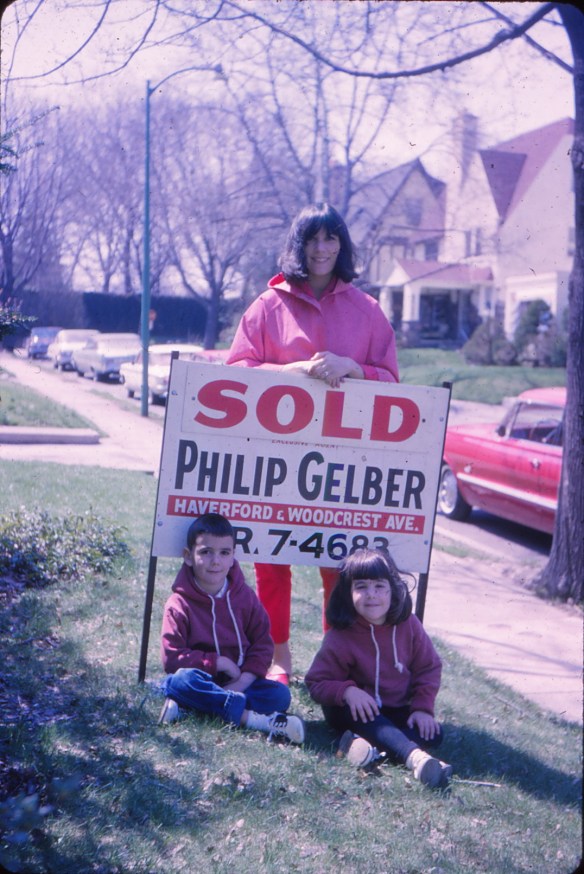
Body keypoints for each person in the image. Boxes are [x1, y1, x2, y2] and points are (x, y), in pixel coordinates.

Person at [227, 203, 399, 682]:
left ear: (342, 245)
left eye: (331, 239)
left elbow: (391, 378)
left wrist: (353, 367)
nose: (321, 249)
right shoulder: (268, 306)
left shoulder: (367, 311)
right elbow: (237, 369)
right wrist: (289, 372)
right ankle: (277, 658)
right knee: (271, 560)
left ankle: (333, 659)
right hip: (276, 459)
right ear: (297, 245)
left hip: (339, 462)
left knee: (336, 564)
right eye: (312, 239)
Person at [305, 548, 452, 789]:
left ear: (393, 589)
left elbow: (429, 667)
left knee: (434, 733)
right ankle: (416, 759)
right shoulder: (341, 636)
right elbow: (316, 682)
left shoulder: (409, 625)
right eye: (361, 586)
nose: (371, 595)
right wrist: (348, 692)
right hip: (355, 711)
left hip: (394, 709)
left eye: (379, 586)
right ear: (348, 592)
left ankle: (362, 747)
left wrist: (422, 709)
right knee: (371, 720)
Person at [158, 512, 305, 744]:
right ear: (188, 556)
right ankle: (256, 721)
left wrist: (244, 681)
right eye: (206, 552)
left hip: (242, 682)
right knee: (180, 681)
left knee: (279, 695)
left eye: (224, 553)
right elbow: (172, 657)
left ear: (233, 556)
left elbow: (262, 644)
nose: (216, 561)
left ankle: (192, 709)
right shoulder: (178, 604)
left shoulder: (244, 597)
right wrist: (217, 662)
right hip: (202, 681)